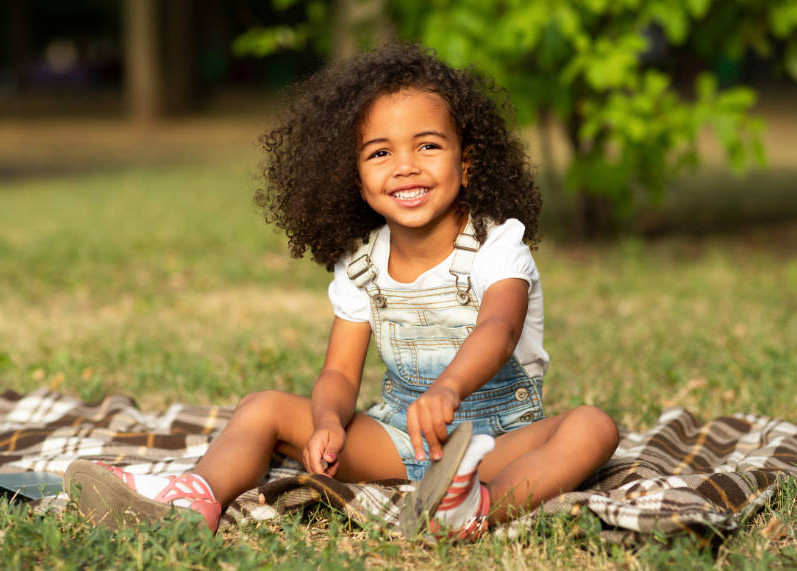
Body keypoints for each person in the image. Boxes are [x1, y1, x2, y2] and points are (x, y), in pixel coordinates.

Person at [65, 43, 619, 540]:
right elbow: (339, 373)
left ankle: (471, 509)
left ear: (466, 162)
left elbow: (500, 329)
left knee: (592, 428)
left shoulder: (498, 244)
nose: (405, 167)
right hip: (399, 440)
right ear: (355, 178)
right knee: (263, 409)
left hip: (495, 443)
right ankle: (194, 500)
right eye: (380, 153)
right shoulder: (360, 263)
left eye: (427, 146)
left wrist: (449, 390)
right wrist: (329, 421)